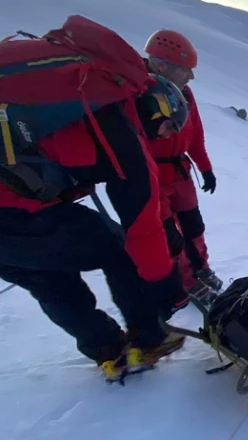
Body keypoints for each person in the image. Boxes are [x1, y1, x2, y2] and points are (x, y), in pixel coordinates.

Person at [0, 76, 192, 383]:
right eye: (169, 125)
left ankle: (107, 348)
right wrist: (162, 281)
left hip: (10, 227)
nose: (165, 135)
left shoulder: (83, 106)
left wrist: (66, 187)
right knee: (120, 249)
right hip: (23, 217)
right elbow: (142, 223)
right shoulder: (119, 134)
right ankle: (148, 339)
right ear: (153, 108)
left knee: (47, 281)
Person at [143, 30, 221, 303]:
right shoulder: (135, 92)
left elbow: (195, 134)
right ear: (162, 65)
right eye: (186, 70)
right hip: (150, 178)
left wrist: (205, 168)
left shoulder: (184, 94)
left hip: (180, 174)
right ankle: (186, 283)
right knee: (169, 238)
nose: (191, 77)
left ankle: (201, 268)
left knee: (193, 227)